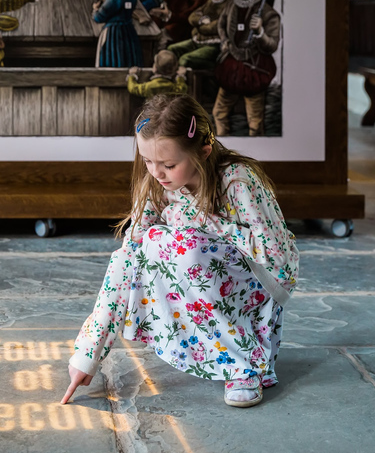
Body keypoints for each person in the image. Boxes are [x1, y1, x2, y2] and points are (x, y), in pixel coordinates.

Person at [61, 93, 299, 408]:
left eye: (169, 164)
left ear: (203, 150)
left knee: (184, 244)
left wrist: (209, 224)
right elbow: (129, 256)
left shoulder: (236, 181)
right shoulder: (158, 184)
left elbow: (278, 257)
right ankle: (218, 347)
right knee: (151, 243)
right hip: (202, 275)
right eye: (147, 161)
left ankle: (244, 366)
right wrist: (88, 352)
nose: (156, 173)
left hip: (256, 282)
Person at [212, 0, 281, 136]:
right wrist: (225, 40)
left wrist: (260, 32)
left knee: (255, 121)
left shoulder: (268, 14)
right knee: (218, 113)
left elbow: (272, 45)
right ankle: (224, 148)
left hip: (253, 68)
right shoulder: (231, 5)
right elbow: (221, 24)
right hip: (231, 67)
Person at [167, 0, 232, 70]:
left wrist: (198, 25)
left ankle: (181, 83)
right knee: (171, 50)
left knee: (185, 59)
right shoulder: (210, 2)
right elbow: (192, 17)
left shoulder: (230, 6)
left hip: (213, 46)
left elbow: (212, 28)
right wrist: (201, 20)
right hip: (197, 41)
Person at [93, 0, 143, 68]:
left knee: (113, 59)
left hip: (114, 33)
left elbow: (99, 17)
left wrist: (95, 9)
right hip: (128, 30)